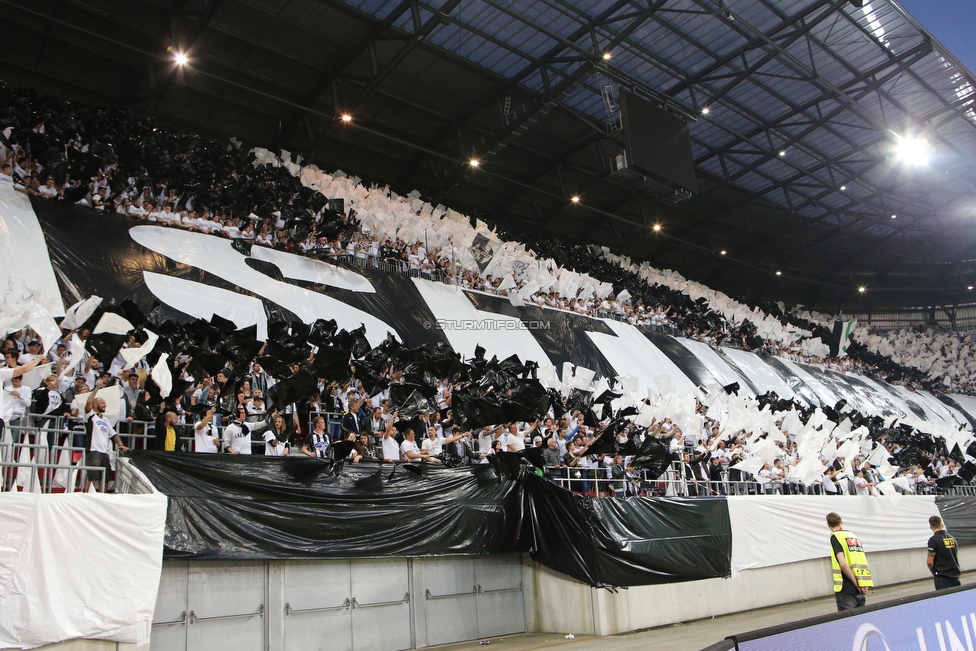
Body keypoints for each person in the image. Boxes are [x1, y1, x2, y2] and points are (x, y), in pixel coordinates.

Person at [826, 512, 873, 611]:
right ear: (841, 523)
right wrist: (862, 585)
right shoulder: (853, 536)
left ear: (828, 525)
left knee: (848, 624)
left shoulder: (835, 537)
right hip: (861, 588)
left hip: (846, 590)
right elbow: (859, 560)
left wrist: (856, 584)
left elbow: (843, 564)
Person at [926, 515, 961, 590]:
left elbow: (929, 562)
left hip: (942, 577)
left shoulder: (933, 540)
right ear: (942, 525)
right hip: (955, 576)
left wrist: (933, 571)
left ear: (930, 526)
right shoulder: (952, 538)